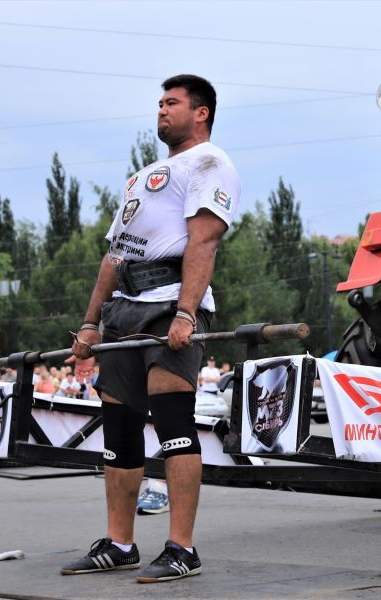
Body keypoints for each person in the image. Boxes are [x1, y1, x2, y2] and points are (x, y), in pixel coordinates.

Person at [62, 74, 240, 584]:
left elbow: (203, 242)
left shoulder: (210, 163)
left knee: (172, 419)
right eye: (159, 102)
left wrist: (186, 313)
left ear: (201, 112)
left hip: (169, 303)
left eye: (173, 102)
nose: (161, 110)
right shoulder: (142, 177)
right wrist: (91, 322)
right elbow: (114, 255)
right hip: (124, 305)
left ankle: (182, 548)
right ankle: (120, 544)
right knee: (118, 427)